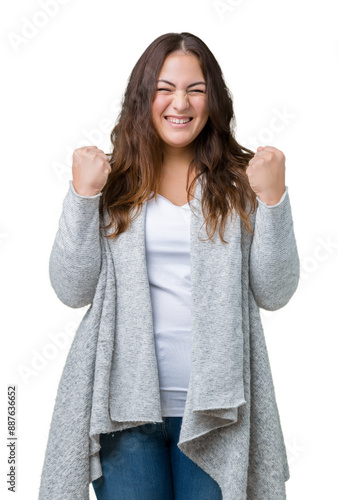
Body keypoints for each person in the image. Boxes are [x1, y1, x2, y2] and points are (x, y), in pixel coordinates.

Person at [39, 32, 299, 500]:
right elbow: (71, 289)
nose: (180, 103)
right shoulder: (111, 181)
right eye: (165, 87)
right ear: (144, 96)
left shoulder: (243, 182)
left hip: (219, 415)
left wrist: (274, 200)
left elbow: (274, 292)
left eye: (195, 90)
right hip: (126, 413)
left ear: (212, 99)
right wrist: (82, 197)